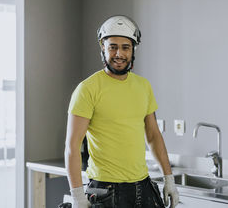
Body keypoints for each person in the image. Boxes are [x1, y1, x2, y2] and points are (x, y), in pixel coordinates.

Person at [65, 15, 179, 208]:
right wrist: (77, 196)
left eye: (125, 47)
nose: (119, 53)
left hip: (143, 188)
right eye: (113, 47)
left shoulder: (143, 86)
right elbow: (72, 146)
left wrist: (169, 178)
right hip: (105, 192)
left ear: (133, 49)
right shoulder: (87, 89)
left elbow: (153, 135)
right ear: (103, 47)